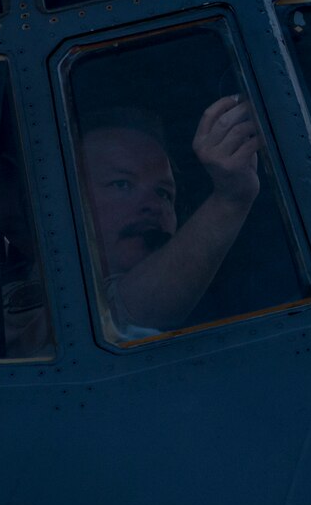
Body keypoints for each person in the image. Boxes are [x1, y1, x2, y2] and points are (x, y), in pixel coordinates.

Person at [80, 95, 263, 336]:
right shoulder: (37, 310)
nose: (154, 205)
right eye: (121, 184)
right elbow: (121, 315)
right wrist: (230, 198)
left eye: (164, 193)